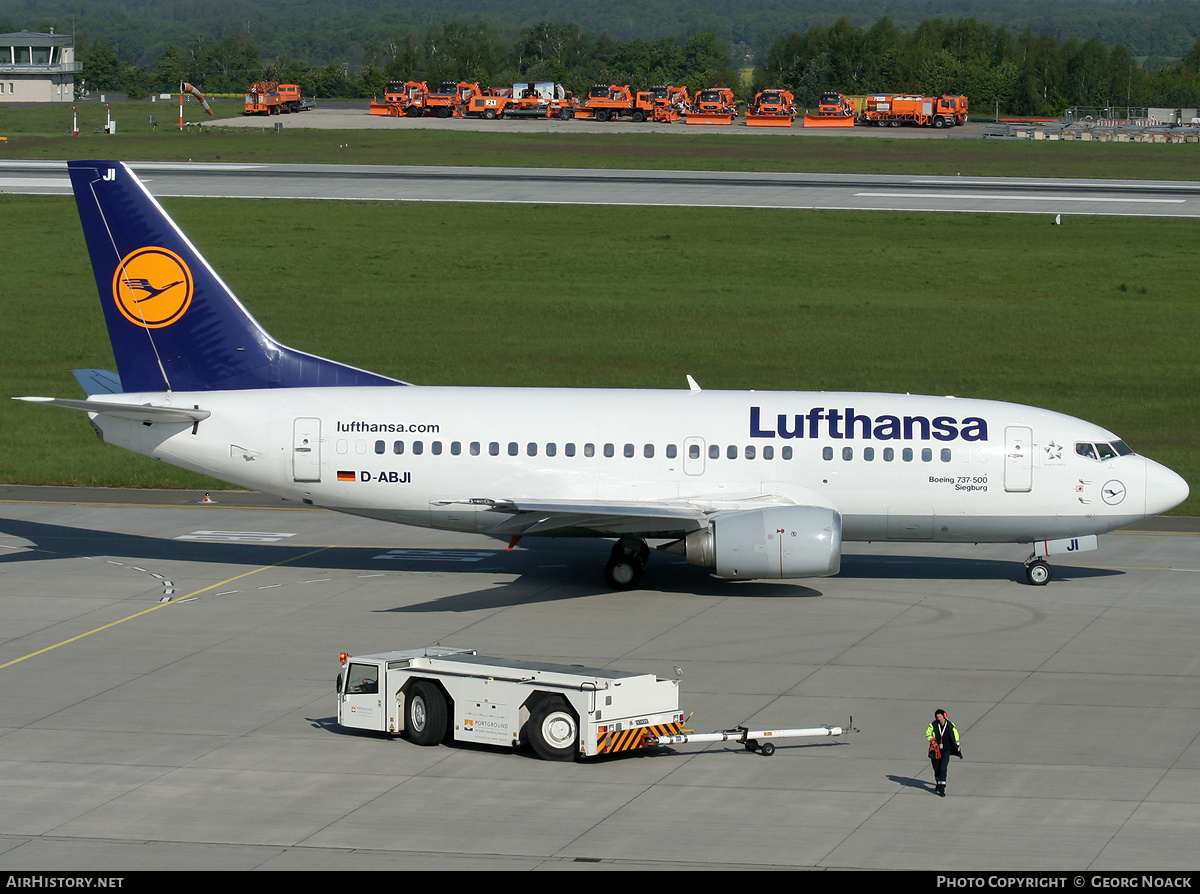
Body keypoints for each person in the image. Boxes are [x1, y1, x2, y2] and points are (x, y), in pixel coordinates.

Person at [926, 708, 962, 796]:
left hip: (946, 750)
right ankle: (938, 783)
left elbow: (955, 736)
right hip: (936, 750)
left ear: (944, 716)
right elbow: (928, 734)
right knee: (936, 768)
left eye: (940, 716)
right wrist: (932, 740)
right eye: (937, 717)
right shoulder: (933, 725)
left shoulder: (950, 725)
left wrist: (957, 745)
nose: (939, 719)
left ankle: (942, 789)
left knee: (943, 768)